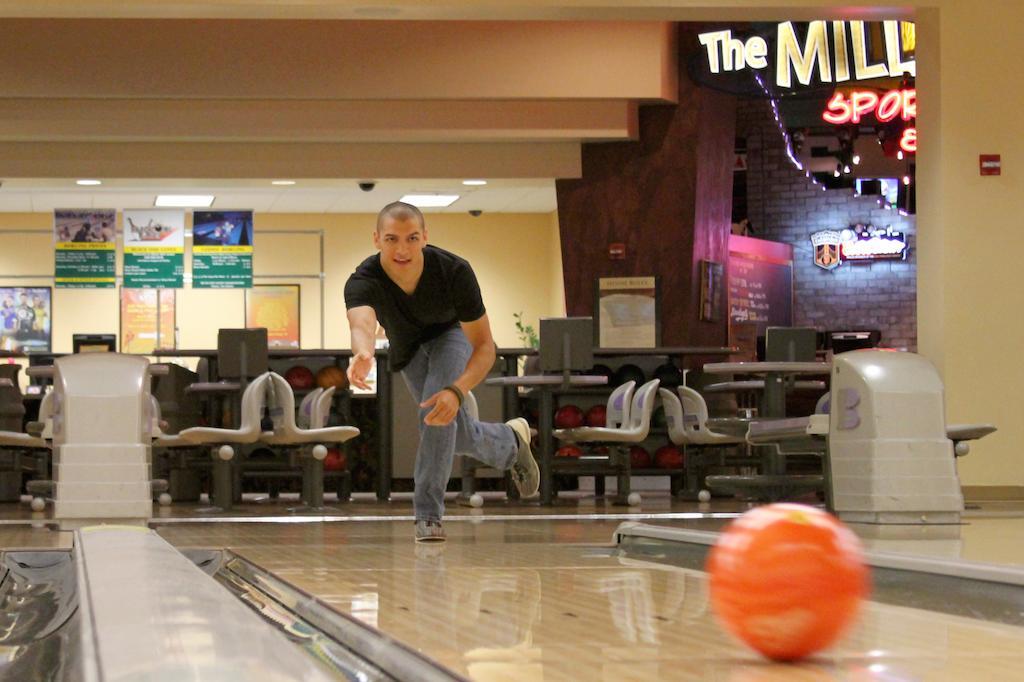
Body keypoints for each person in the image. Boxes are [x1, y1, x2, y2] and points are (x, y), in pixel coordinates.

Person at [345, 201, 538, 542]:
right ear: (376, 239)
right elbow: (362, 321)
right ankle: (511, 442)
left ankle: (428, 514)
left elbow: (485, 346)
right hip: (408, 350)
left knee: (436, 416)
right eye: (391, 239)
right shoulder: (364, 279)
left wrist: (457, 390)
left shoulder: (454, 271)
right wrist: (362, 351)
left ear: (425, 237)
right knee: (455, 433)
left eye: (411, 238)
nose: (402, 249)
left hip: (451, 336)